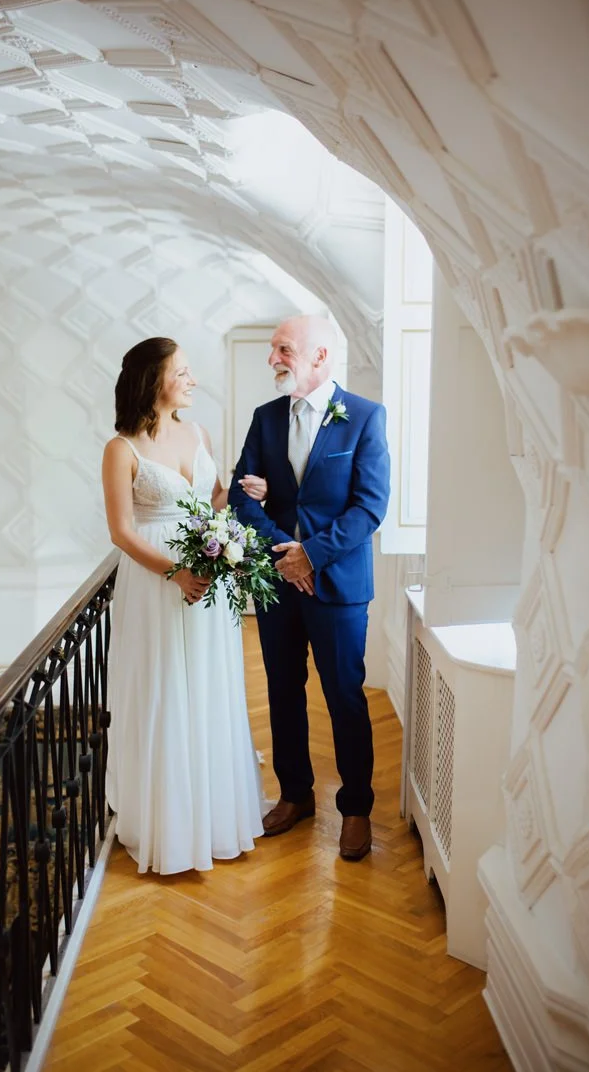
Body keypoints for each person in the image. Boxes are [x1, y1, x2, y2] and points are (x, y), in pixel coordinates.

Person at [102, 337, 268, 875]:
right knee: (164, 688)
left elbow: (212, 498)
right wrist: (177, 573)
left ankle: (214, 812)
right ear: (154, 380)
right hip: (156, 586)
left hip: (207, 583)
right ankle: (167, 823)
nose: (193, 380)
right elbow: (122, 533)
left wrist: (247, 496)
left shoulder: (198, 432)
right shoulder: (121, 449)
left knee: (207, 685)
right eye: (183, 372)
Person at [228, 315, 390, 861]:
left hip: (338, 585)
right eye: (273, 348)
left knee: (344, 696)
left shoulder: (365, 417)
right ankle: (295, 795)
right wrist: (284, 553)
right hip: (278, 581)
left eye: (283, 348)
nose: (273, 358)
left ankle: (356, 808)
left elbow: (370, 506)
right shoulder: (266, 418)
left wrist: (311, 554)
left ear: (320, 356)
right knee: (282, 688)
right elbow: (240, 495)